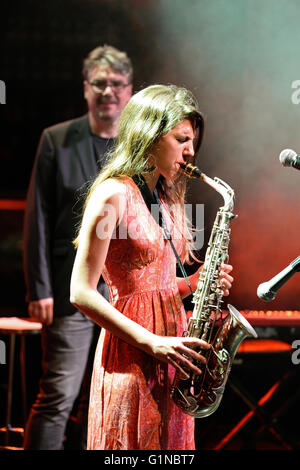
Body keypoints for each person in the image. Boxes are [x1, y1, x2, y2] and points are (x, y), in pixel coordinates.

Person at [70, 84, 234, 450]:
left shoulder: (164, 196)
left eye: (192, 141)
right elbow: (80, 291)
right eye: (182, 139)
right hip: (134, 351)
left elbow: (153, 283)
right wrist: (152, 342)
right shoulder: (112, 193)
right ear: (151, 133)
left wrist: (195, 283)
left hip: (173, 353)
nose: (191, 151)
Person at [23, 45, 133, 450]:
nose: (108, 91)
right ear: (86, 89)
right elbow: (36, 215)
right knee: (58, 398)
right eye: (99, 83)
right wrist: (39, 289)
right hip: (70, 293)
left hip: (124, 298)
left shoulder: (137, 147)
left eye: (116, 84)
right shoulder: (55, 140)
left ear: (129, 90)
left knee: (104, 400)